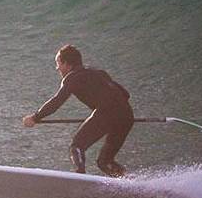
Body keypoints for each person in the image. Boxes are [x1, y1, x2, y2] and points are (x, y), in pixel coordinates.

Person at [22, 45, 134, 176]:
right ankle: (130, 182)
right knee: (104, 162)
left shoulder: (72, 77)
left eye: (58, 63)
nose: (57, 68)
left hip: (107, 112)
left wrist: (35, 117)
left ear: (66, 64)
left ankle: (80, 176)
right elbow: (125, 94)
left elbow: (56, 101)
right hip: (127, 115)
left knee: (76, 147)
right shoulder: (99, 72)